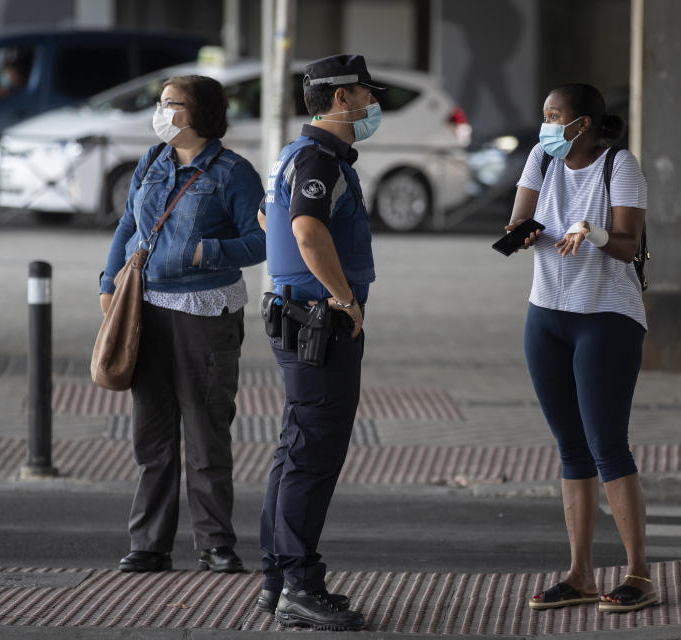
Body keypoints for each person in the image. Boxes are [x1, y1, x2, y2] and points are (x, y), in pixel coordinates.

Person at [99, 75, 266, 574]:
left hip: (205, 313)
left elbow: (265, 242)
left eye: (171, 104)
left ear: (198, 115)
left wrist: (207, 250)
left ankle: (216, 543)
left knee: (206, 430)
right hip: (143, 311)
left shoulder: (234, 173)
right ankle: (150, 543)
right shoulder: (153, 161)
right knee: (151, 436)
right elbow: (128, 224)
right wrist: (109, 280)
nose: (161, 111)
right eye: (161, 103)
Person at [506, 83, 657, 613]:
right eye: (544, 112)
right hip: (546, 314)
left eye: (555, 114)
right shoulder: (540, 159)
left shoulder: (620, 166)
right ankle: (580, 574)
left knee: (607, 445)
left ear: (583, 123)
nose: (545, 123)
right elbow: (519, 221)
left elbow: (626, 244)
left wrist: (590, 232)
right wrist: (522, 234)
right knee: (571, 448)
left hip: (606, 318)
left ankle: (638, 572)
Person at [254, 54, 381, 631]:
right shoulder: (319, 158)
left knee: (294, 449)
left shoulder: (292, 152)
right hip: (319, 323)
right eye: (363, 93)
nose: (370, 103)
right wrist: (343, 298)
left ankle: (279, 578)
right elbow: (304, 229)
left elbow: (267, 217)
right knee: (312, 456)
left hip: (294, 315)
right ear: (339, 100)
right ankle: (300, 586)